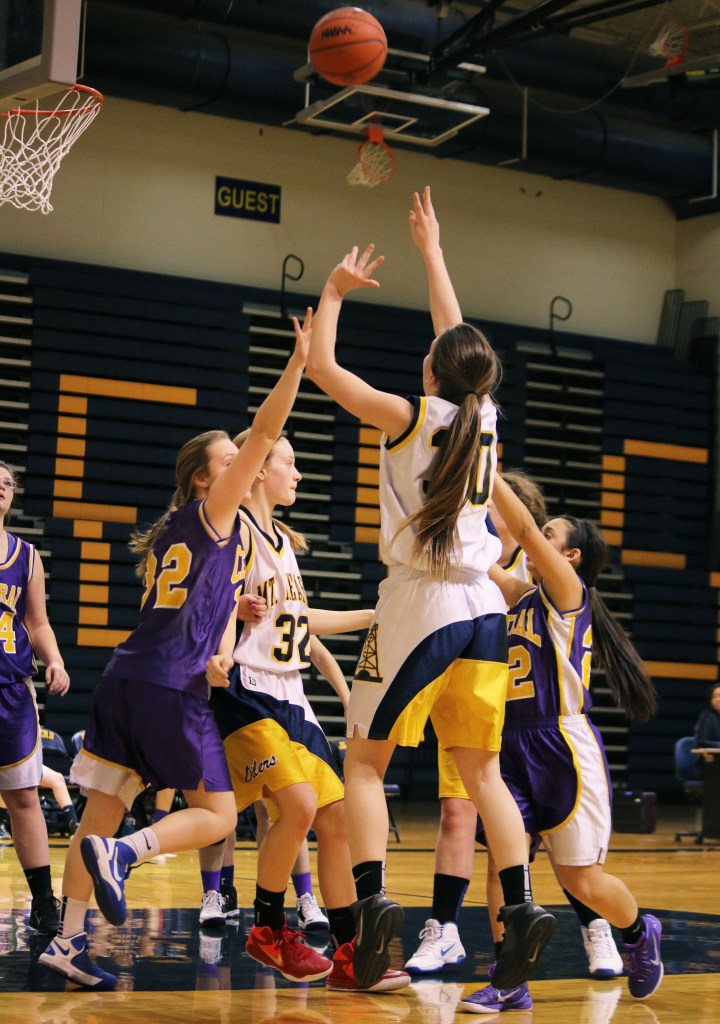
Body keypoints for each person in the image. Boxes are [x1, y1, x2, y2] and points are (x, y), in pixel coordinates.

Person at [305, 186, 556, 992]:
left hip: (420, 604)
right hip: (487, 610)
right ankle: (519, 910)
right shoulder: (484, 421)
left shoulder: (406, 415)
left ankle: (377, 907)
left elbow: (322, 369)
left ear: (433, 371)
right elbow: (457, 340)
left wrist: (333, 294)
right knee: (483, 776)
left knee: (366, 764)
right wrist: (432, 252)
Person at [39, 324, 309, 991]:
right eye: (230, 459)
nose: (243, 462)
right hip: (168, 687)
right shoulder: (216, 512)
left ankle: (68, 943)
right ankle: (128, 853)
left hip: (123, 679)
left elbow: (203, 602)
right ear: (204, 479)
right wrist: (301, 360)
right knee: (216, 815)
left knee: (98, 814)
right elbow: (267, 431)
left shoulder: (174, 532)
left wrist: (228, 630)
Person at [206, 422, 410, 992]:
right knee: (295, 807)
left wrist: (373, 617)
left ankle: (350, 957)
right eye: (288, 463)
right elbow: (215, 603)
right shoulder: (235, 533)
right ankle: (268, 929)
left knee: (336, 818)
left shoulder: (281, 543)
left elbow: (301, 622)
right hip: (247, 688)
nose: (297, 473)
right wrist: (220, 647)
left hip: (294, 693)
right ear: (258, 470)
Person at [406, 472, 624, 982]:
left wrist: (483, 453)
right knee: (489, 842)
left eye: (486, 505)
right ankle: (480, 954)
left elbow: (525, 547)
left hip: (549, 732)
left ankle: (603, 925)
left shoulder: (547, 583)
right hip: (488, 721)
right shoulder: (487, 574)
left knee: (567, 855)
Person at [458, 473, 662, 1012]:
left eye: (548, 534)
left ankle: (640, 932)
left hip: (562, 745)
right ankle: (510, 977)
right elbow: (479, 561)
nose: (535, 536)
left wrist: (486, 459)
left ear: (568, 556)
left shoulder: (569, 594)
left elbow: (520, 527)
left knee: (581, 880)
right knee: (506, 864)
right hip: (510, 744)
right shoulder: (521, 597)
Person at [0, 460, 70, 934]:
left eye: (5, 484)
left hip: (10, 689)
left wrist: (56, 660)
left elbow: (37, 622)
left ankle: (44, 900)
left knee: (23, 796)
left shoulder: (26, 556)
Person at [694, 684, 720, 749]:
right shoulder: (706, 716)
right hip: (711, 757)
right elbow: (701, 741)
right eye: (714, 697)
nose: (717, 700)